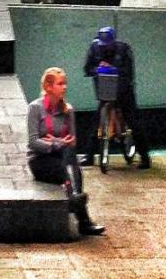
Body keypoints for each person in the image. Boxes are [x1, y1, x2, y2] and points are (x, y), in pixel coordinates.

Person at [27, 67, 105, 236]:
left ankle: (76, 199)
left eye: (65, 84)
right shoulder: (35, 108)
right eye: (60, 84)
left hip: (63, 156)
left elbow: (72, 141)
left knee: (71, 162)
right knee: (66, 163)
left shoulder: (68, 110)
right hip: (40, 160)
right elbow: (33, 143)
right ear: (48, 87)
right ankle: (82, 217)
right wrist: (56, 143)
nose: (64, 87)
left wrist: (54, 141)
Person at [81, 25, 150, 169]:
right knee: (97, 122)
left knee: (134, 122)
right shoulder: (94, 49)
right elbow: (87, 69)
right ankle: (89, 155)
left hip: (124, 91)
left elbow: (129, 73)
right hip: (106, 91)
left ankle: (145, 157)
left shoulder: (123, 50)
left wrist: (114, 70)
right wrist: (98, 69)